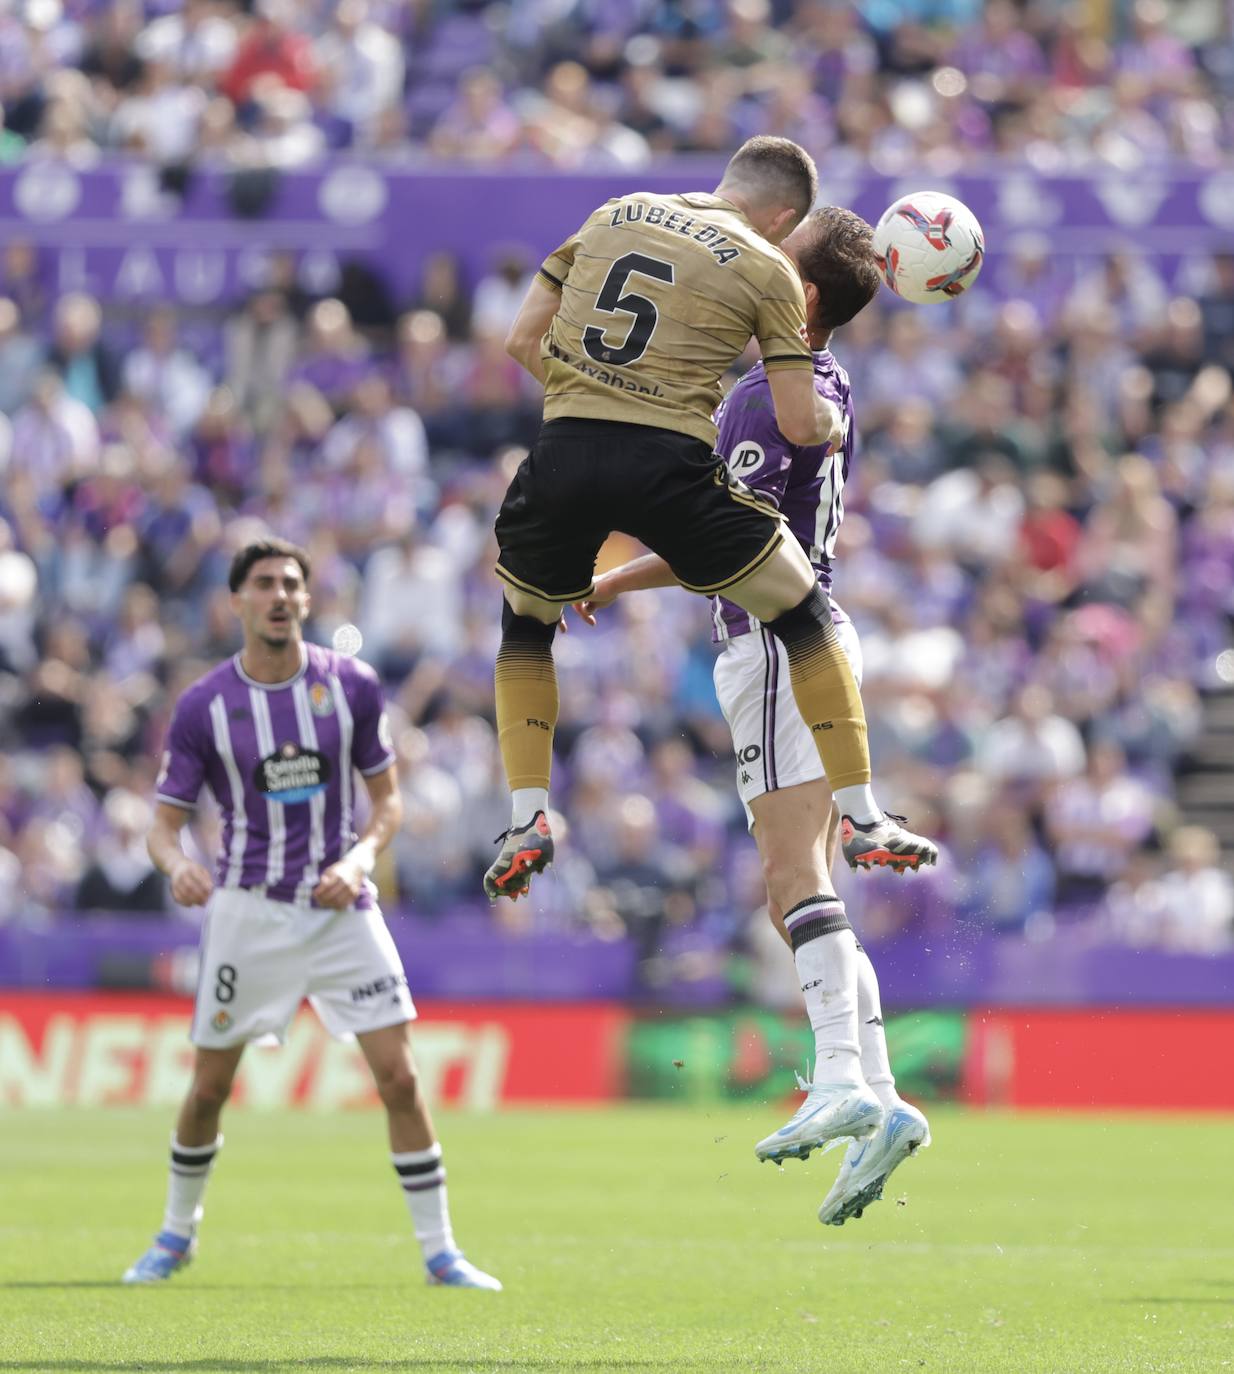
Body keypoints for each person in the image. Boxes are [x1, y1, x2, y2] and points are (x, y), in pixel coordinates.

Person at [573, 207, 930, 1225]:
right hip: (811, 634)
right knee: (795, 894)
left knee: (792, 878)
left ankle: (838, 1082)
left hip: (774, 645)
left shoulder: (762, 402)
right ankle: (882, 1093)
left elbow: (724, 547)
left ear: (801, 297)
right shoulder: (822, 382)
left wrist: (615, 581)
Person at [488, 135, 937, 904]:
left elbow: (522, 339)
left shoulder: (614, 212)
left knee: (525, 629)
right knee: (803, 609)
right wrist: (832, 421)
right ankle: (862, 816)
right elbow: (798, 423)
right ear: (784, 216)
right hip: (666, 463)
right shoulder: (765, 268)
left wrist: (593, 397)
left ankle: (527, 819)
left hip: (564, 449)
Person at [122, 537, 499, 1291]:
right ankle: (175, 1235)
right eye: (263, 584)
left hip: (340, 909)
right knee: (207, 1089)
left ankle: (440, 1251)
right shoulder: (204, 706)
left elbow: (387, 801)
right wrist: (181, 866)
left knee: (399, 1078)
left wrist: (358, 861)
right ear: (237, 601)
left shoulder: (350, 685)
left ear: (306, 598)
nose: (280, 595)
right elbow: (163, 825)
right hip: (246, 913)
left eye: (291, 584)